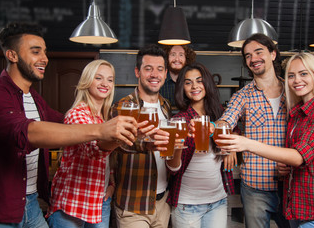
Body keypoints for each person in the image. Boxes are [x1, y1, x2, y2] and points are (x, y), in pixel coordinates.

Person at [0, 22, 138, 227]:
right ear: (12, 55)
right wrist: (101, 130)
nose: (45, 59)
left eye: (45, 52)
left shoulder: (34, 99)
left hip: (31, 203)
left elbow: (66, 126)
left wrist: (137, 139)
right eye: (36, 52)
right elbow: (27, 132)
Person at [218, 52, 314, 228]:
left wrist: (246, 143)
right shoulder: (297, 113)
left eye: (303, 73)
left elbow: (299, 156)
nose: (297, 80)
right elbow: (306, 157)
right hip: (298, 207)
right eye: (291, 76)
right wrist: (287, 166)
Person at [217, 33, 290, 228]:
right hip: (256, 186)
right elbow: (226, 120)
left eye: (259, 52)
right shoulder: (243, 96)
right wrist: (226, 134)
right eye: (248, 55)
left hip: (292, 184)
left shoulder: (292, 91)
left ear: (273, 54)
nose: (253, 59)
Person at [47, 60, 119, 227]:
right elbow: (93, 151)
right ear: (87, 81)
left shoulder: (103, 117)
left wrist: (111, 185)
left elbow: (107, 161)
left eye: (109, 79)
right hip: (74, 201)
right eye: (98, 78)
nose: (105, 84)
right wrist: (120, 139)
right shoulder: (77, 114)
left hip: (100, 200)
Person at [165, 63, 236, 228]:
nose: (194, 86)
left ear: (207, 83)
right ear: (182, 88)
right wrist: (176, 147)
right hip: (187, 204)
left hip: (218, 200)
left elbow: (235, 132)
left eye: (199, 80)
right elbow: (172, 169)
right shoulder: (179, 121)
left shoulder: (221, 113)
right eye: (188, 82)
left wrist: (231, 146)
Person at [111, 44, 172, 228]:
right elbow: (116, 144)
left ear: (166, 73)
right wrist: (143, 144)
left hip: (162, 202)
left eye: (160, 69)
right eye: (148, 69)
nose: (155, 74)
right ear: (137, 72)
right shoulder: (123, 106)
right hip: (133, 204)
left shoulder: (165, 105)